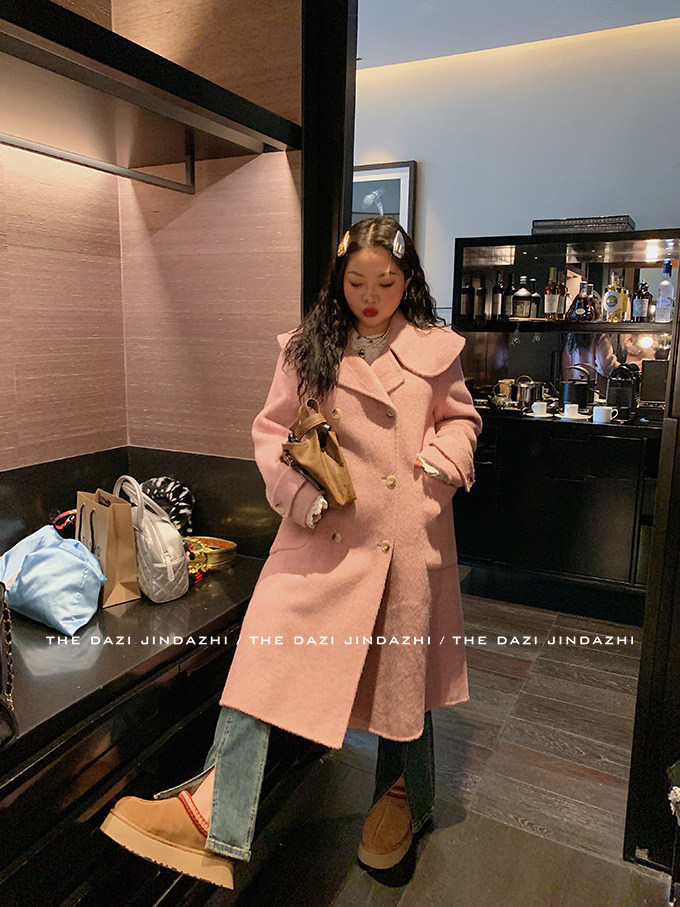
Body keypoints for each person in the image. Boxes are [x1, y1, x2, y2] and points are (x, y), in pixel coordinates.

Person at [100, 216, 482, 889]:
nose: (371, 296)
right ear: (337, 280)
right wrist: (300, 495)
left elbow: (460, 417)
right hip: (321, 531)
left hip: (403, 535)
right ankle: (217, 814)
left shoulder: (434, 346)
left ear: (408, 281)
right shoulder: (308, 347)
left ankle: (402, 798)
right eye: (356, 281)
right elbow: (272, 431)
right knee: (266, 654)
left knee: (404, 677)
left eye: (386, 282)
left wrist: (441, 464)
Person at [561, 331, 620, 396]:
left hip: (571, 391)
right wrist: (622, 369)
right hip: (594, 392)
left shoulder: (571, 334)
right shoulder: (600, 333)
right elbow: (605, 366)